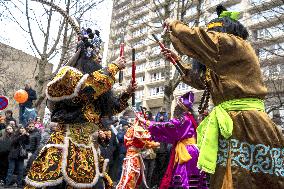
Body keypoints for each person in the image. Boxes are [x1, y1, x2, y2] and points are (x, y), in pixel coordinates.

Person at [162, 4, 284, 188]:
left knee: (251, 179)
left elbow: (201, 40)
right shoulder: (223, 67)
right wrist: (176, 60)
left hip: (248, 123)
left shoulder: (236, 46)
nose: (213, 39)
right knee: (227, 178)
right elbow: (202, 81)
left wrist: (175, 25)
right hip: (231, 124)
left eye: (215, 34)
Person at [24, 22, 135, 188]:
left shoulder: (99, 86)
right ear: (85, 54)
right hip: (66, 145)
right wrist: (112, 68)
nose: (99, 58)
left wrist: (126, 93)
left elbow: (108, 110)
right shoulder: (68, 74)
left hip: (90, 150)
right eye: (95, 54)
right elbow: (86, 90)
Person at [139, 91, 208, 189]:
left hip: (186, 152)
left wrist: (147, 123)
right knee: (193, 178)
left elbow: (168, 126)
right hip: (192, 150)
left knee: (182, 179)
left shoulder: (183, 119)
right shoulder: (190, 117)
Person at [116, 120, 160, 189]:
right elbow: (145, 143)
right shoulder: (135, 130)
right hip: (132, 157)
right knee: (131, 176)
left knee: (133, 176)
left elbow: (144, 143)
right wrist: (155, 144)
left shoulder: (132, 130)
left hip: (133, 156)